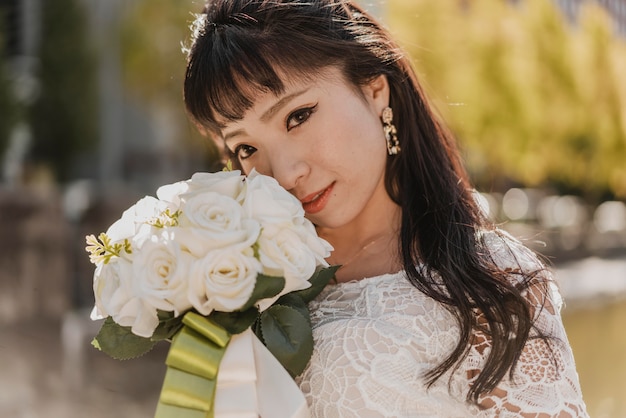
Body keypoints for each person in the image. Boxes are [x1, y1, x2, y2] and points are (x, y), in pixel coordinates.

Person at [182, 0, 589, 416]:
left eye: (298, 116)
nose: (284, 174)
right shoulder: (237, 280)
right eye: (246, 147)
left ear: (374, 89)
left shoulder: (490, 277)